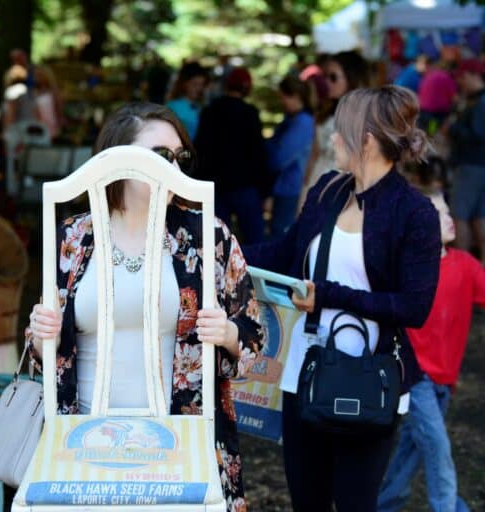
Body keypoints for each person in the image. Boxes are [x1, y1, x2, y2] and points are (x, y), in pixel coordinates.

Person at [26, 102, 265, 510]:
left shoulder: (209, 236)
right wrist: (39, 336)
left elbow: (254, 341)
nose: (173, 167)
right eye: (160, 156)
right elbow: (42, 359)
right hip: (83, 442)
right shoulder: (73, 236)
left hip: (180, 446)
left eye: (180, 157)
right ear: (118, 159)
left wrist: (226, 334)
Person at [244, 86, 441, 512]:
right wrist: (220, 248)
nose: (332, 138)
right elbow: (284, 252)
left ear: (365, 139)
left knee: (354, 503)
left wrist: (330, 297)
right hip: (306, 372)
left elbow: (414, 307)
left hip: (372, 380)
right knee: (307, 502)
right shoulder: (328, 191)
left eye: (339, 130)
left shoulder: (413, 212)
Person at [377, 192, 476, 512]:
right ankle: (449, 507)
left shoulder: (465, 265)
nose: (449, 218)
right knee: (436, 445)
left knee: (413, 449)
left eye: (448, 210)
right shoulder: (409, 268)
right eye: (438, 213)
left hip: (445, 381)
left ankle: (384, 504)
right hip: (415, 375)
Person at [195, 67, 269, 244]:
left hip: (216, 185)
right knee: (255, 241)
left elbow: (201, 149)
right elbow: (258, 153)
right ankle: (255, 272)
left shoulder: (211, 111)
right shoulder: (250, 113)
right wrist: (264, 189)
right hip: (244, 185)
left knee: (217, 244)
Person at [301, 50, 370, 204]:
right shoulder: (323, 112)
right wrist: (305, 193)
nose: (327, 82)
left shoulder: (366, 115)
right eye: (324, 76)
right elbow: (314, 155)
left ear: (351, 78)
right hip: (318, 181)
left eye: (333, 77)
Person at [266, 74, 316, 238]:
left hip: (291, 188)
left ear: (295, 96)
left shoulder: (302, 122)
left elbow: (280, 157)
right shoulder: (291, 119)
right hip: (284, 187)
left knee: (281, 235)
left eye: (284, 97)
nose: (282, 102)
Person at [447, 58, 485, 264]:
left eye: (462, 77)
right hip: (478, 166)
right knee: (479, 217)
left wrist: (453, 129)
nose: (460, 82)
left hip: (471, 165)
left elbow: (478, 135)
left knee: (459, 216)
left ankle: (463, 269)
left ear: (473, 75)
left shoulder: (480, 103)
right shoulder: (474, 100)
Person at [166, 61, 209, 140]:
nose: (198, 89)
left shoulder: (201, 106)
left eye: (201, 85)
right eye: (194, 84)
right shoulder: (173, 106)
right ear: (184, 84)